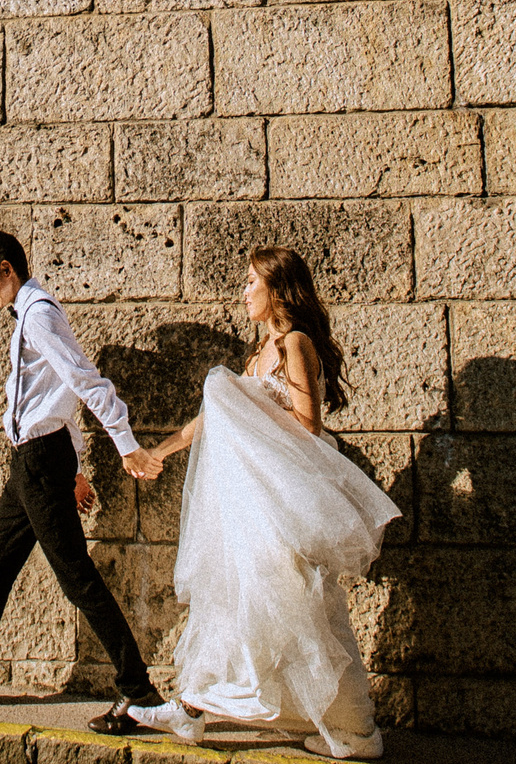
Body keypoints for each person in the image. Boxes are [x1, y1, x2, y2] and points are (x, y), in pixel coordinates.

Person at [125, 247, 401, 760]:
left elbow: (308, 424)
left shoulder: (296, 343)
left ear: (276, 289)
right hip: (255, 501)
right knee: (242, 598)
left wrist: (241, 401)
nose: (244, 291)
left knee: (303, 610)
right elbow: (214, 418)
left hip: (287, 499)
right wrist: (158, 450)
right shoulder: (257, 354)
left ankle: (356, 730)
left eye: (252, 281)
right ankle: (194, 709)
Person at [0, 229, 169, 735]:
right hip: (32, 462)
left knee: (77, 578)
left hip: (40, 462)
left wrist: (125, 443)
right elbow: (58, 403)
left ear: (7, 269)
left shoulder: (40, 314)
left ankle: (140, 693)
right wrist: (74, 467)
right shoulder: (27, 315)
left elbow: (86, 382)